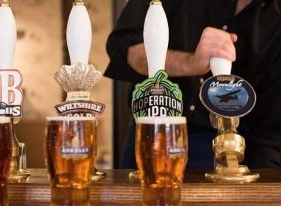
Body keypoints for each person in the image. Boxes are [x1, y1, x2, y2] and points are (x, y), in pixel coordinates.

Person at [105, 0, 281, 169]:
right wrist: (190, 63)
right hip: (156, 132)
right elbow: (123, 46)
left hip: (235, 149)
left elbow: (270, 133)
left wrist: (261, 191)